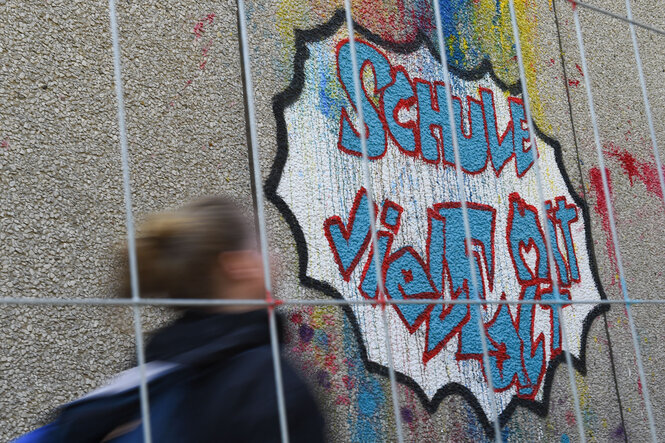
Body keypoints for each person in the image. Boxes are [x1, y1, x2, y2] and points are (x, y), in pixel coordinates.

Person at [46, 196, 326, 442]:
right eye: (262, 245)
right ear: (237, 266)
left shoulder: (156, 362)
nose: (277, 257)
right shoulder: (267, 380)